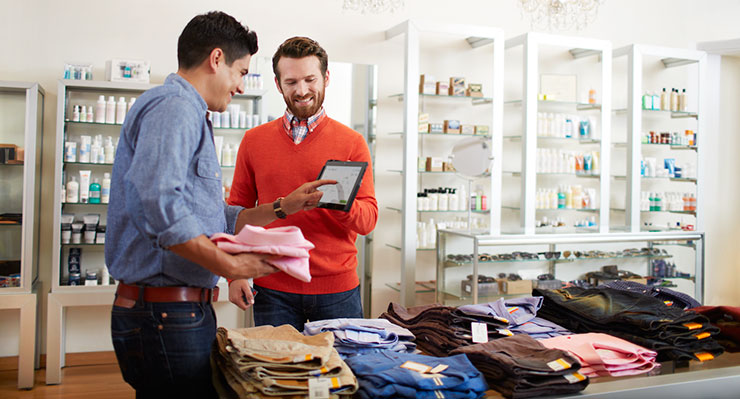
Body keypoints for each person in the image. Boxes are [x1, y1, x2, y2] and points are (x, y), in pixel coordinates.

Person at [105, 13, 332, 397]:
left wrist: (282, 207)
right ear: (215, 59)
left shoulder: (188, 112)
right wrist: (230, 265)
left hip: (175, 312)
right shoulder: (175, 106)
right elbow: (159, 203)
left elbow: (217, 217)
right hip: (165, 313)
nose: (240, 87)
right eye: (241, 72)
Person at [227, 36, 378, 331]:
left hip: (337, 290)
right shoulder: (254, 141)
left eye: (310, 79)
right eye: (291, 81)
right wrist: (236, 274)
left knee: (342, 375)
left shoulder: (352, 142)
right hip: (271, 288)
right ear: (278, 83)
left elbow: (368, 220)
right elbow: (236, 213)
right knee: (277, 374)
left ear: (326, 78)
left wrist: (337, 204)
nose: (302, 90)